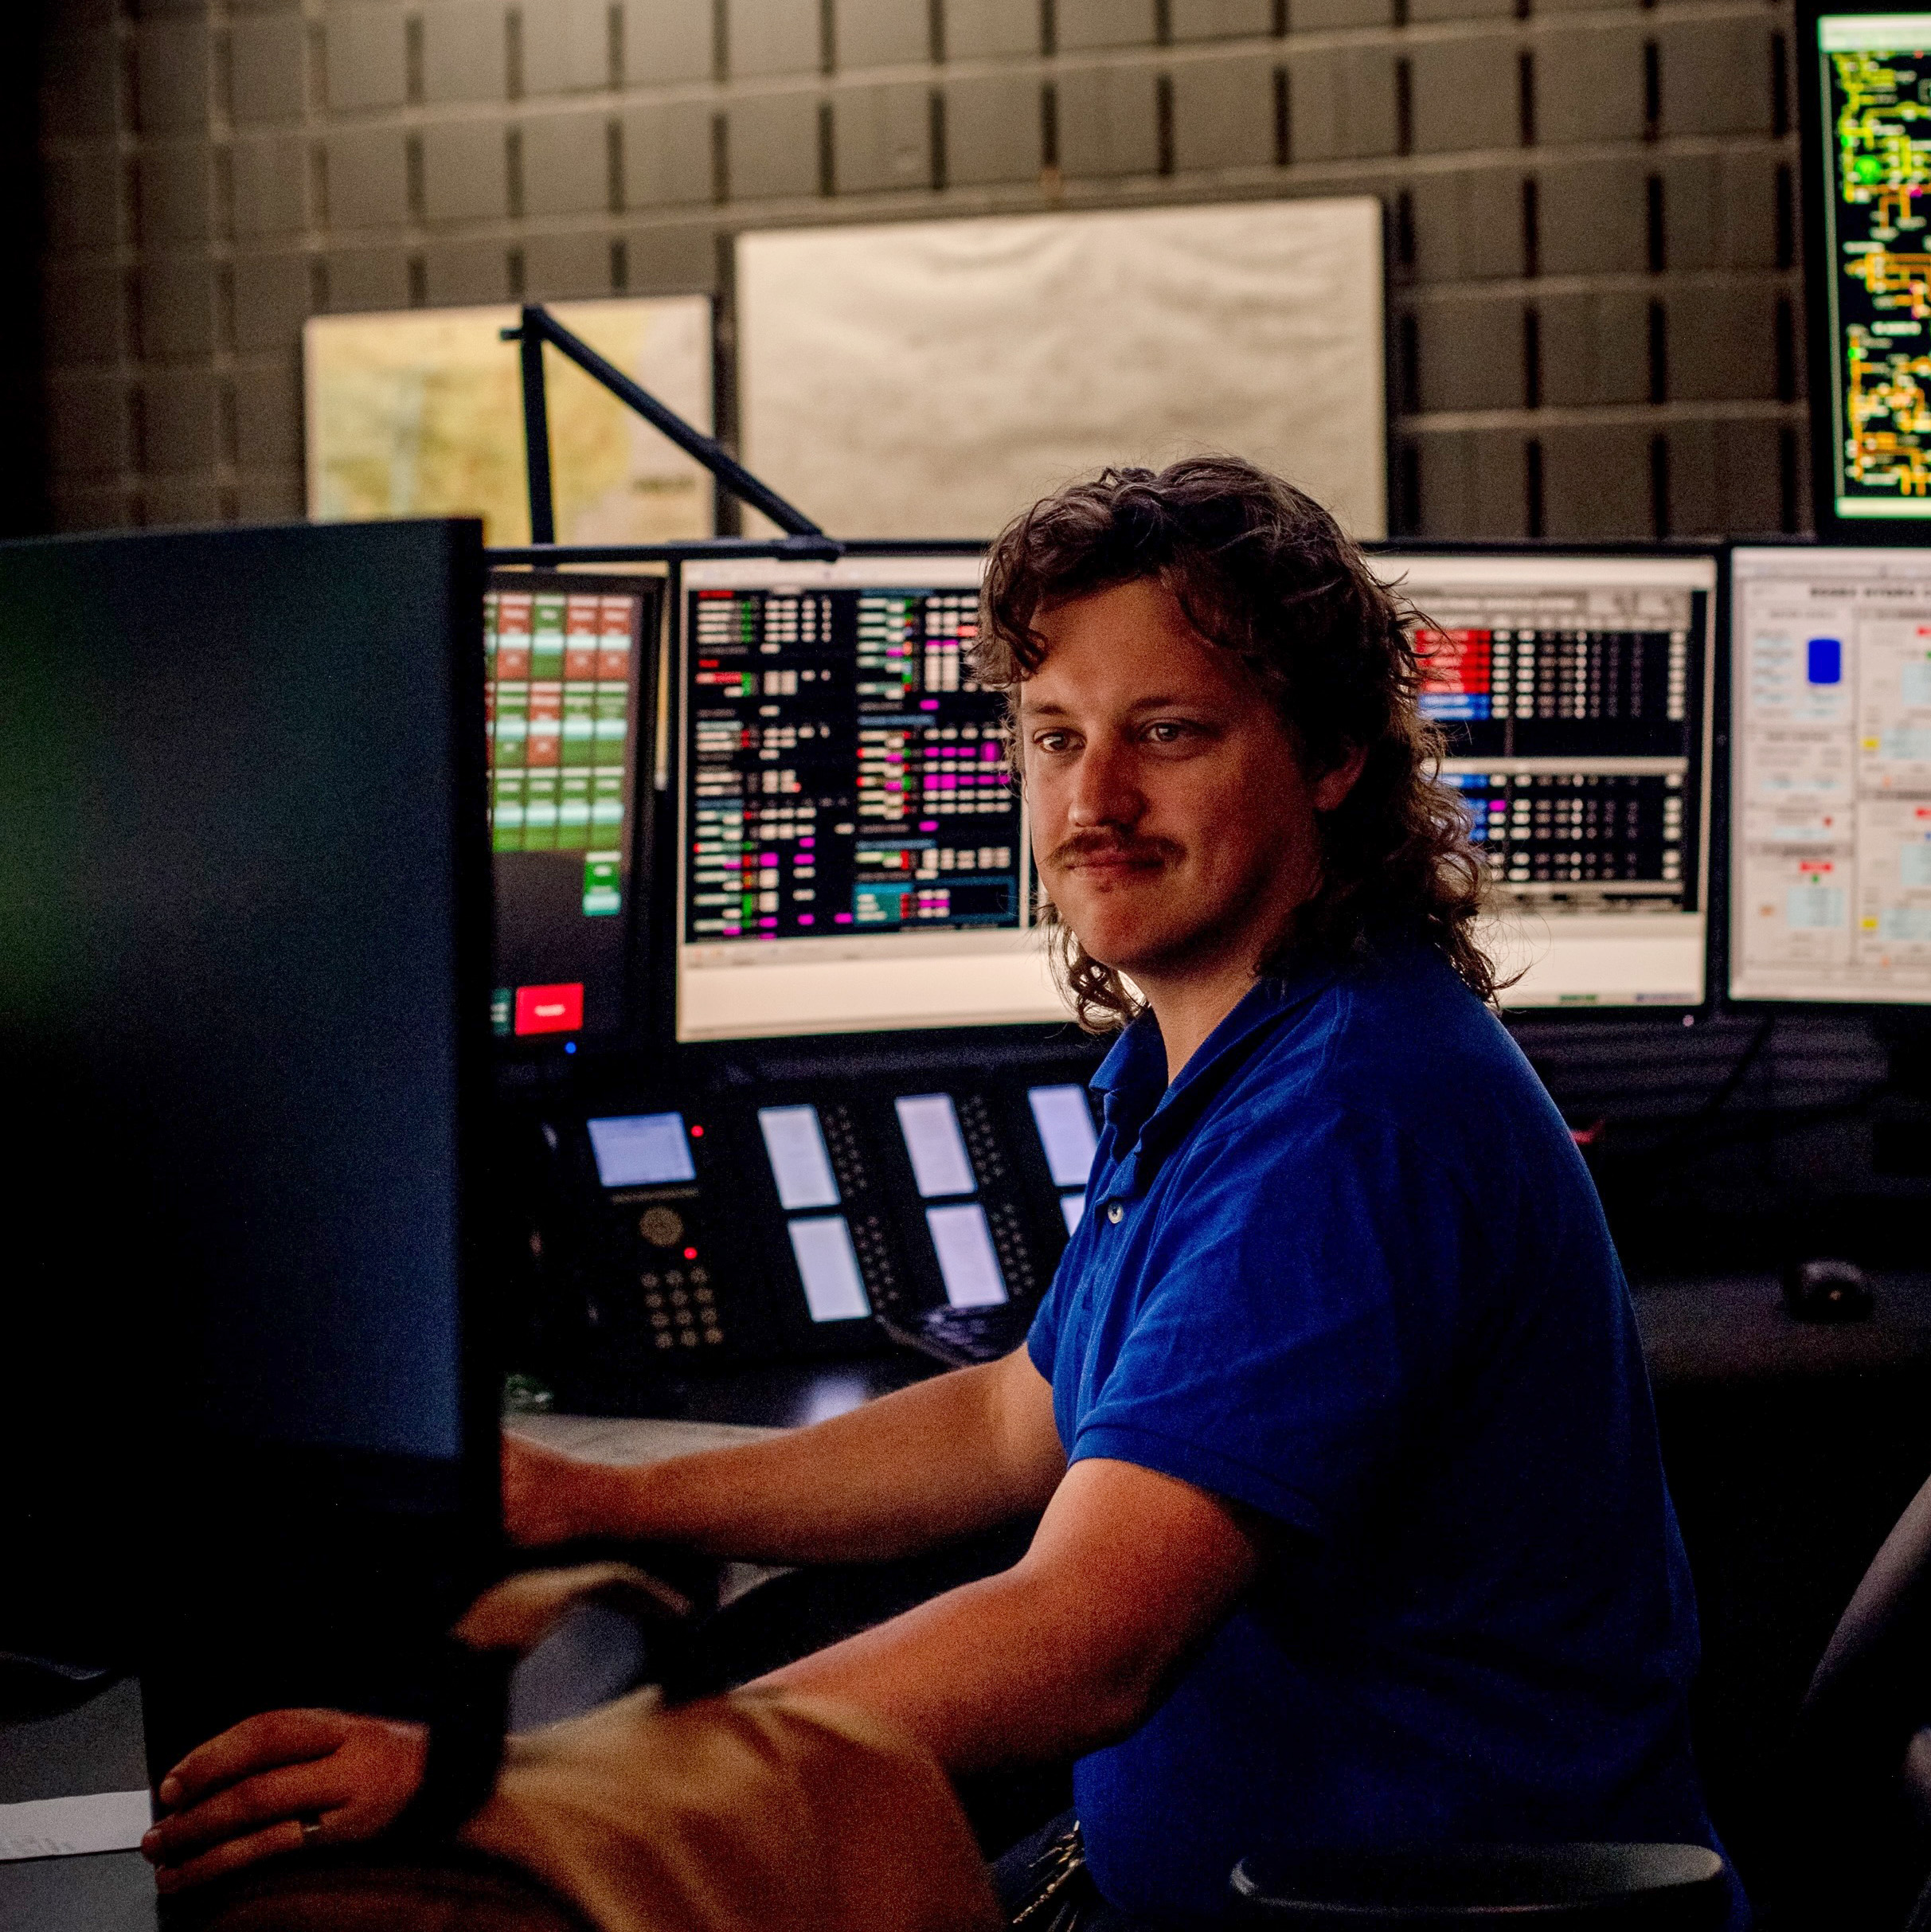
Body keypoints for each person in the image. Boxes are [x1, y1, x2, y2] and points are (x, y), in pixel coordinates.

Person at [142, 457, 1734, 1926]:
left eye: (1167, 732)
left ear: (1326, 756)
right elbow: (1011, 1419)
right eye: (1055, 735)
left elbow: (1090, 1637)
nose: (1090, 796)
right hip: (1189, 1871)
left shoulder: (1348, 1124)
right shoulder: (1233, 1052)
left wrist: (516, 1776)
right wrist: (604, 1499)